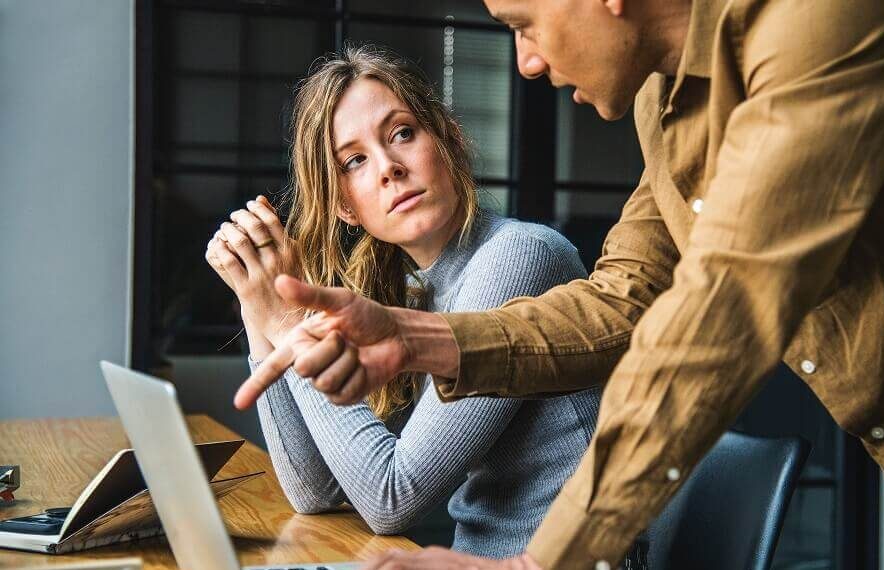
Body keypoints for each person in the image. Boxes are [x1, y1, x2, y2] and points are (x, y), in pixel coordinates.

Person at [237, 0, 884, 568]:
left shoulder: (821, 20)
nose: (527, 62)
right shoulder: (663, 104)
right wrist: (408, 337)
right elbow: (622, 301)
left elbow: (723, 309)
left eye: (522, 23)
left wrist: (540, 565)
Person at [205, 45, 646, 566]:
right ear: (345, 206)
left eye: (402, 133)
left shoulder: (521, 256)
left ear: (450, 140)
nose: (388, 167)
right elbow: (314, 492)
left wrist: (288, 321)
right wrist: (260, 312)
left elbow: (391, 498)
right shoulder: (417, 291)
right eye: (355, 160)